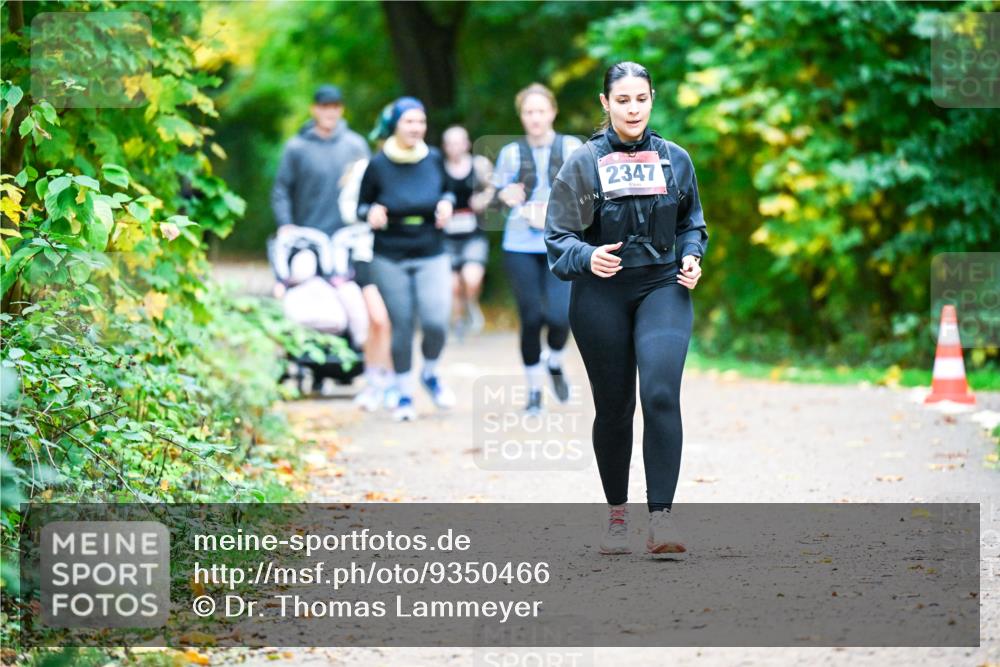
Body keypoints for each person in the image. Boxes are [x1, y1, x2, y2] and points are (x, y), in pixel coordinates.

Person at [544, 62, 708, 558]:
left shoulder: (675, 159)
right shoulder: (582, 162)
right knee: (615, 410)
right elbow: (557, 240)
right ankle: (618, 517)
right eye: (623, 100)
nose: (633, 108)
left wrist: (693, 256)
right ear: (605, 104)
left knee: (659, 393)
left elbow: (692, 224)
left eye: (641, 99)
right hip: (601, 294)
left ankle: (662, 520)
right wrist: (588, 256)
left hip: (663, 286)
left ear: (652, 99)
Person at [270, 84, 393, 408]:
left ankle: (363, 369)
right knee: (305, 299)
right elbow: (281, 189)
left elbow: (371, 188)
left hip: (346, 240)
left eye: (336, 106)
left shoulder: (354, 145)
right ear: (315, 109)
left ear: (341, 109)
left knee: (354, 303)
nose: (330, 112)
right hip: (308, 241)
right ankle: (300, 364)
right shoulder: (297, 148)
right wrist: (286, 225)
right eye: (325, 106)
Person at [357, 97, 457, 422]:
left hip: (431, 248)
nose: (416, 128)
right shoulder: (378, 164)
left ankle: (429, 372)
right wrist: (370, 212)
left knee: (435, 322)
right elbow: (361, 205)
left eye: (420, 122)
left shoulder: (434, 159)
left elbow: (450, 191)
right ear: (396, 125)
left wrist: (446, 203)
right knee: (401, 326)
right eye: (409, 122)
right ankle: (403, 394)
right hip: (390, 252)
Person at [493, 84, 582, 415]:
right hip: (519, 244)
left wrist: (557, 209)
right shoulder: (511, 153)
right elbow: (500, 192)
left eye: (540, 111)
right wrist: (508, 196)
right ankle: (533, 392)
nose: (535, 118)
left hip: (561, 243)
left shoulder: (572, 147)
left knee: (561, 316)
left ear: (552, 113)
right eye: (529, 112)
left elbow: (588, 193)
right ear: (521, 116)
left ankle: (554, 361)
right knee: (531, 317)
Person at [441, 125, 494, 338]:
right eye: (450, 143)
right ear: (445, 147)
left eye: (459, 142)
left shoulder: (479, 166)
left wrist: (481, 200)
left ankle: (471, 304)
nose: (455, 147)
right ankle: (458, 319)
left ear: (467, 144)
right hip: (446, 235)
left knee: (471, 279)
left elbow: (494, 188)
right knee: (453, 285)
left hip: (473, 233)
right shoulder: (438, 168)